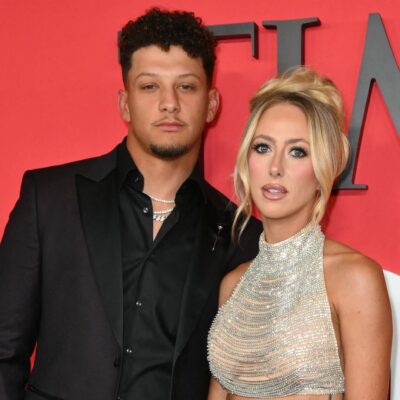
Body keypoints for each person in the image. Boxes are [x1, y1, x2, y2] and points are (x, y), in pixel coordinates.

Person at [0, 8, 262, 400]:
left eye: (186, 86)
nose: (169, 103)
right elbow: (4, 350)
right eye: (150, 86)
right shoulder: (50, 199)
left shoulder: (242, 236)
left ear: (211, 104)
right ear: (125, 103)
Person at [207, 67, 392, 400]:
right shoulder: (233, 284)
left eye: (297, 152)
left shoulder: (355, 278)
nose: (275, 167)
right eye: (262, 147)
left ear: (325, 168)